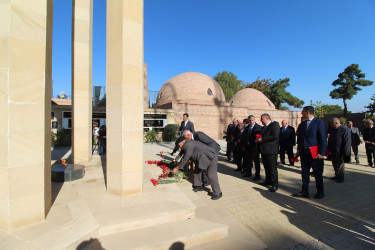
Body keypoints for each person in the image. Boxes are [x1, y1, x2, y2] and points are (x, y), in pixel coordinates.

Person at [293, 106, 327, 199]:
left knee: (317, 173)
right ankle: (305, 191)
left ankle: (320, 191)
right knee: (304, 173)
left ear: (308, 112)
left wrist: (322, 153)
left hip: (315, 153)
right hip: (304, 153)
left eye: (302, 111)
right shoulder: (302, 124)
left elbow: (323, 139)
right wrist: (298, 150)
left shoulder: (319, 123)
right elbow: (300, 139)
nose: (301, 113)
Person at [255, 114, 280, 192]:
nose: (261, 121)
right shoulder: (263, 128)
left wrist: (262, 139)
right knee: (266, 167)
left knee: (272, 169)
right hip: (264, 150)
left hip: (271, 151)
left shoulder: (274, 125)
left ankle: (275, 184)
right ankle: (267, 181)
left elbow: (274, 136)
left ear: (267, 118)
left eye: (262, 119)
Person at [327, 118, 351, 183]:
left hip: (340, 151)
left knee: (340, 165)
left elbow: (347, 141)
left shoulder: (344, 129)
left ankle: (340, 177)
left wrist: (346, 152)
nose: (332, 126)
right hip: (333, 150)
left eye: (333, 125)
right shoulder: (333, 129)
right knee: (335, 164)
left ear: (337, 123)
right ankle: (336, 175)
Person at [243, 115, 262, 180]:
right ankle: (248, 172)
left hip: (255, 148)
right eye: (249, 120)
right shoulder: (247, 127)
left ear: (254, 120)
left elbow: (259, 137)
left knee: (256, 162)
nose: (251, 121)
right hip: (248, 147)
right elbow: (244, 137)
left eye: (252, 120)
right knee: (248, 161)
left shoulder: (258, 127)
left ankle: (257, 175)